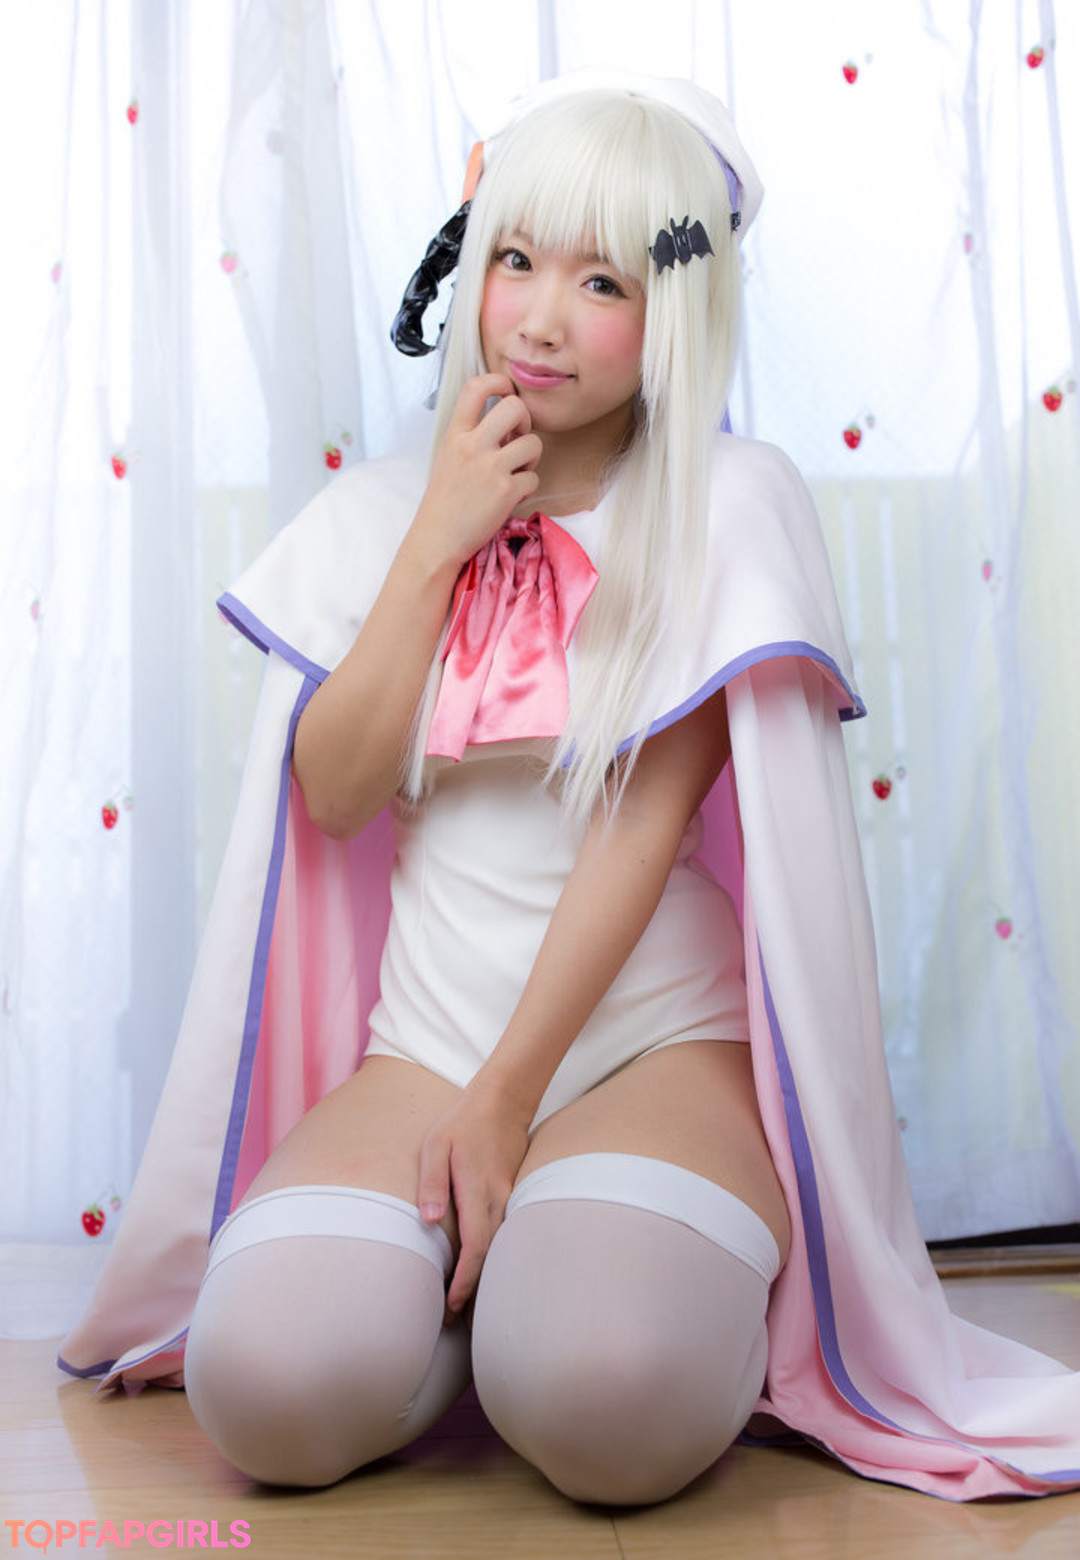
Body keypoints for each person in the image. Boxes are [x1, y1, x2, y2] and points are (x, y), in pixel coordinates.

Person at [59, 73, 1080, 1505]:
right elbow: (337, 793)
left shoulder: (729, 503)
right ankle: (486, 1300)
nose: (540, 318)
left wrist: (507, 1101)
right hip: (423, 1046)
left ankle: (573, 1305)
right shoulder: (382, 513)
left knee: (607, 1404)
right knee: (268, 1396)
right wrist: (441, 535)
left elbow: (645, 825)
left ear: (677, 311)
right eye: (518, 260)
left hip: (655, 1044)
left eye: (602, 281)